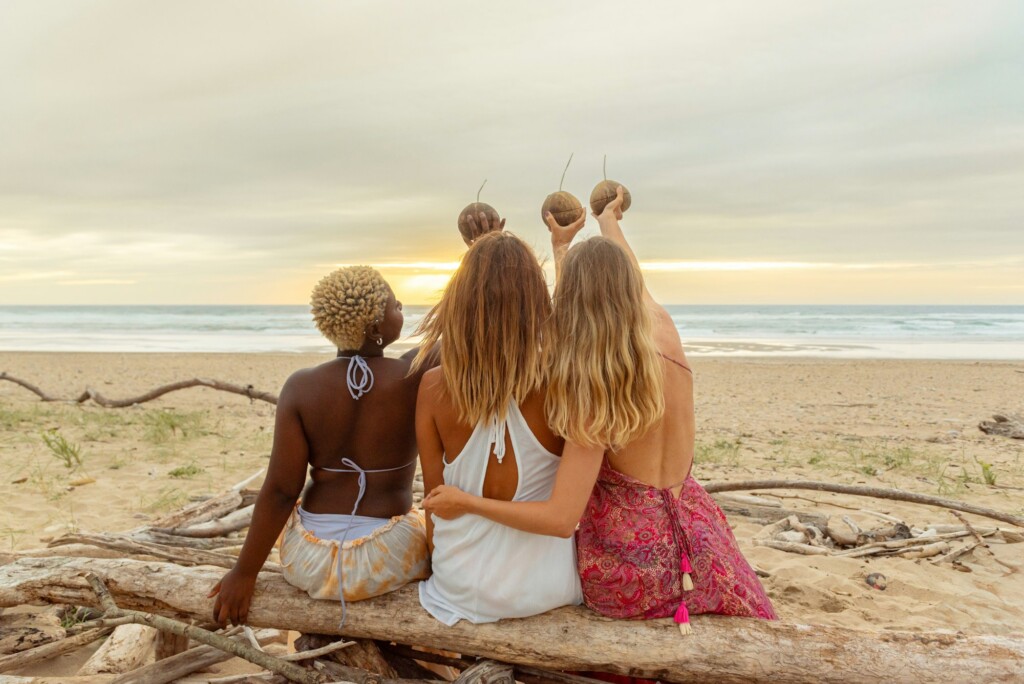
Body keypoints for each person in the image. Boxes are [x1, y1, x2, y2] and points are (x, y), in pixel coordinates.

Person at [423, 188, 776, 634]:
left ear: (570, 304)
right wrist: (608, 222)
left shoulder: (595, 394)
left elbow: (560, 517)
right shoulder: (666, 335)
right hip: (701, 538)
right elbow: (625, 284)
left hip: (631, 557)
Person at [210, 266, 430, 626]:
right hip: (385, 556)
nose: (402, 306)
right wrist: (479, 248)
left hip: (310, 560)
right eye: (395, 304)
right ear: (376, 328)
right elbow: (468, 330)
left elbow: (281, 491)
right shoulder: (414, 374)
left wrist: (244, 573)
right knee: (421, 522)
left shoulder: (301, 386)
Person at [413, 231, 583, 625]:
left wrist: (444, 567)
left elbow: (436, 507)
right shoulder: (561, 384)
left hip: (459, 586)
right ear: (537, 303)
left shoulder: (434, 387)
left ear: (460, 303)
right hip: (543, 587)